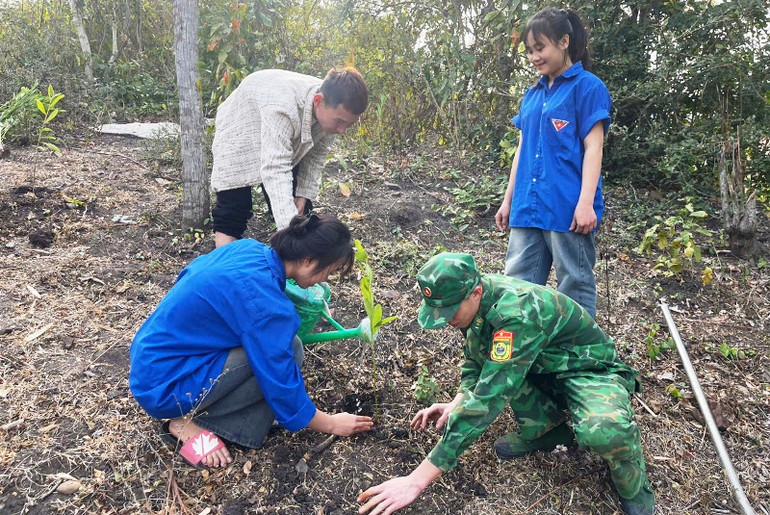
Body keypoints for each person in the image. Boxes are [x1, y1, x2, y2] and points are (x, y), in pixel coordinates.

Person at [358, 253, 654, 515]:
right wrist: (460, 398)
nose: (446, 321)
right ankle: (549, 432)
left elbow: (489, 398)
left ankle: (633, 480)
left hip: (588, 370)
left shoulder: (515, 315)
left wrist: (416, 480)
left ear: (475, 292)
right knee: (505, 373)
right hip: (541, 366)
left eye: (449, 313)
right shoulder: (477, 300)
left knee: (603, 432)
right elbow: (477, 360)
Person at [129, 214, 373, 469]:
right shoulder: (266, 306)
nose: (325, 280)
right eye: (329, 271)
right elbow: (281, 382)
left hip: (151, 360)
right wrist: (332, 423)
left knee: (290, 345)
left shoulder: (247, 249)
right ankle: (185, 424)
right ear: (308, 260)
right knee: (288, 351)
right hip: (165, 386)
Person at [494, 8, 611, 319]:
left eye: (540, 47)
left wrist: (585, 203)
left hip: (567, 209)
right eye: (530, 51)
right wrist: (508, 201)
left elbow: (593, 147)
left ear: (564, 41)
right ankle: (520, 355)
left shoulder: (587, 87)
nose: (534, 57)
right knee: (516, 287)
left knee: (574, 285)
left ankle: (581, 358)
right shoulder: (532, 95)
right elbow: (522, 150)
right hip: (527, 208)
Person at [210, 67, 369, 247]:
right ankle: (224, 270)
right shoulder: (283, 107)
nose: (341, 130)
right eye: (339, 122)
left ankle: (296, 271)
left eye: (348, 124)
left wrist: (303, 194)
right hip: (239, 126)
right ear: (318, 101)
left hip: (283, 133)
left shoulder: (331, 109)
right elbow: (275, 168)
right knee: (234, 210)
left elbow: (315, 157)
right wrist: (291, 233)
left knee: (302, 211)